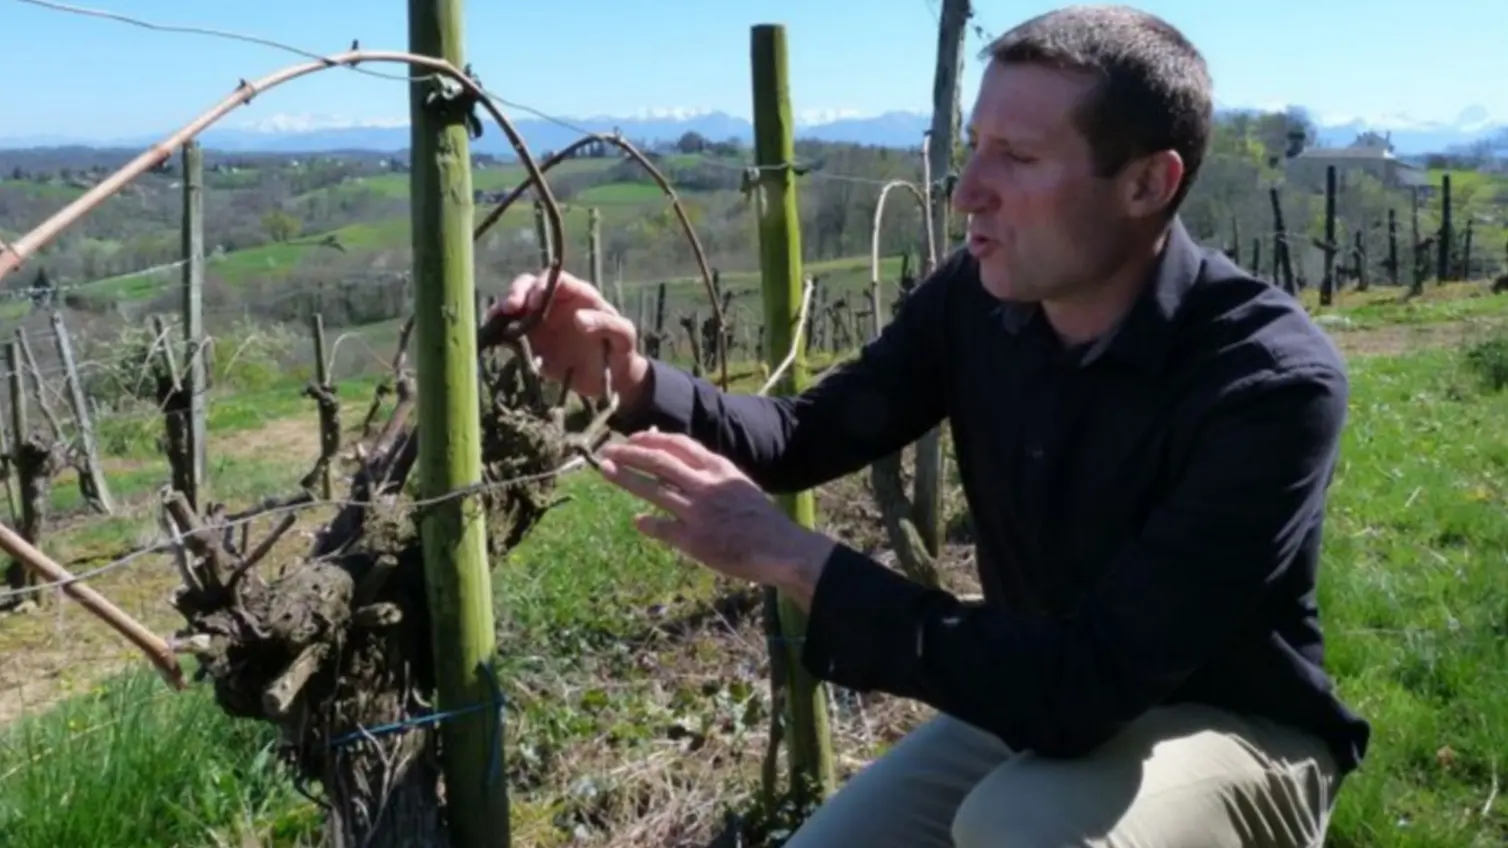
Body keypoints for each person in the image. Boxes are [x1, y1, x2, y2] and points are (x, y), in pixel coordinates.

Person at [490, 5, 1369, 845]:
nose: (967, 195)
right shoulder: (975, 302)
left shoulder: (1268, 384)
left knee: (1023, 828)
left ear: (1147, 182)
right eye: (973, 147)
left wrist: (789, 555)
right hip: (1030, 688)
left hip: (1233, 727)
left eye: (1017, 157)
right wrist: (634, 379)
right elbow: (806, 437)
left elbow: (1089, 684)